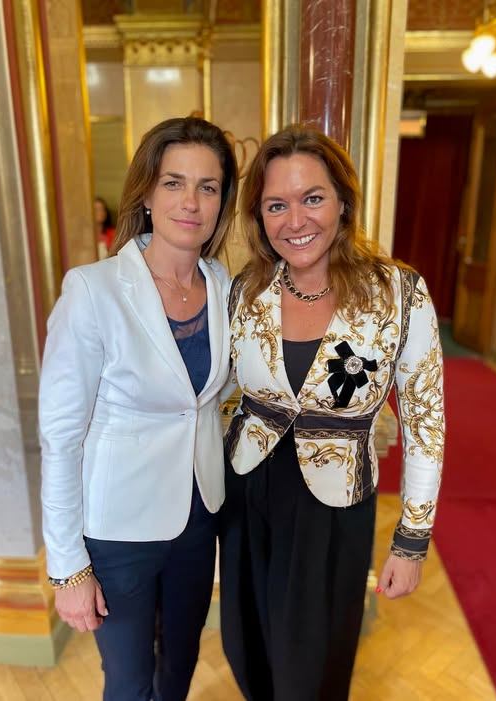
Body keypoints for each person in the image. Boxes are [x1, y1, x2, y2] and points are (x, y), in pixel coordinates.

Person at [219, 125, 445, 700]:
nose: (295, 220)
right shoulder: (246, 290)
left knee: (312, 668)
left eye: (312, 198)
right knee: (248, 647)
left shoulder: (397, 293)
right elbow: (219, 395)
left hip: (334, 506)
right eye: (276, 204)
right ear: (259, 216)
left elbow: (425, 422)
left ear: (343, 201)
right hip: (249, 492)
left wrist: (411, 540)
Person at [39, 116, 238, 701]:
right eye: (174, 182)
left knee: (179, 663)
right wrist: (68, 566)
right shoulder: (93, 289)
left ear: (222, 201)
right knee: (128, 680)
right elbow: (61, 436)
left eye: (207, 186)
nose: (191, 202)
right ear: (147, 193)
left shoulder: (225, 285)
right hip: (119, 528)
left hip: (199, 516)